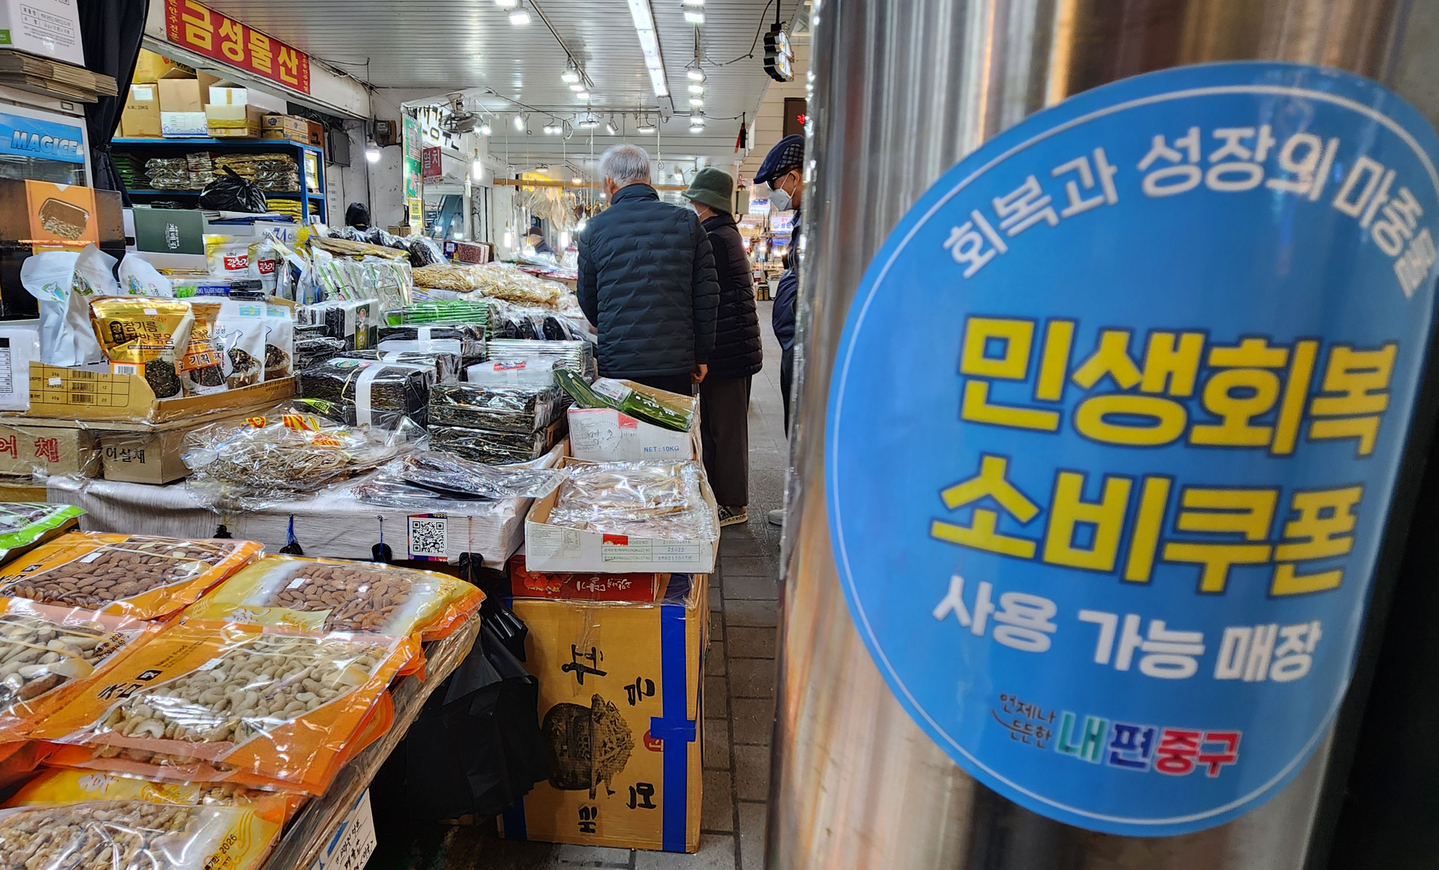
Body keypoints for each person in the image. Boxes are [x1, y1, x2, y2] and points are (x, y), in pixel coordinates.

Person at [578, 144, 719, 396]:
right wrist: (702, 354)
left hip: (619, 362)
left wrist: (613, 326)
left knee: (625, 431)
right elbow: (706, 296)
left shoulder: (594, 229)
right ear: (649, 180)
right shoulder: (687, 222)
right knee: (670, 430)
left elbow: (588, 297)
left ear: (610, 183)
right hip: (675, 362)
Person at [682, 167, 762, 527]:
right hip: (731, 347)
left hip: (728, 349)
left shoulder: (714, 238)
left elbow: (707, 297)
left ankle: (734, 503)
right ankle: (720, 496)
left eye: (696, 200)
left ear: (706, 203)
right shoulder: (723, 233)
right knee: (718, 427)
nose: (692, 205)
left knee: (726, 431)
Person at [753, 133, 806, 526]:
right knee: (796, 425)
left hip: (808, 347)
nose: (777, 194)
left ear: (795, 176)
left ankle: (805, 509)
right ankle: (801, 505)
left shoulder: (823, 219)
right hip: (797, 344)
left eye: (776, 186)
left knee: (804, 428)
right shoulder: (809, 219)